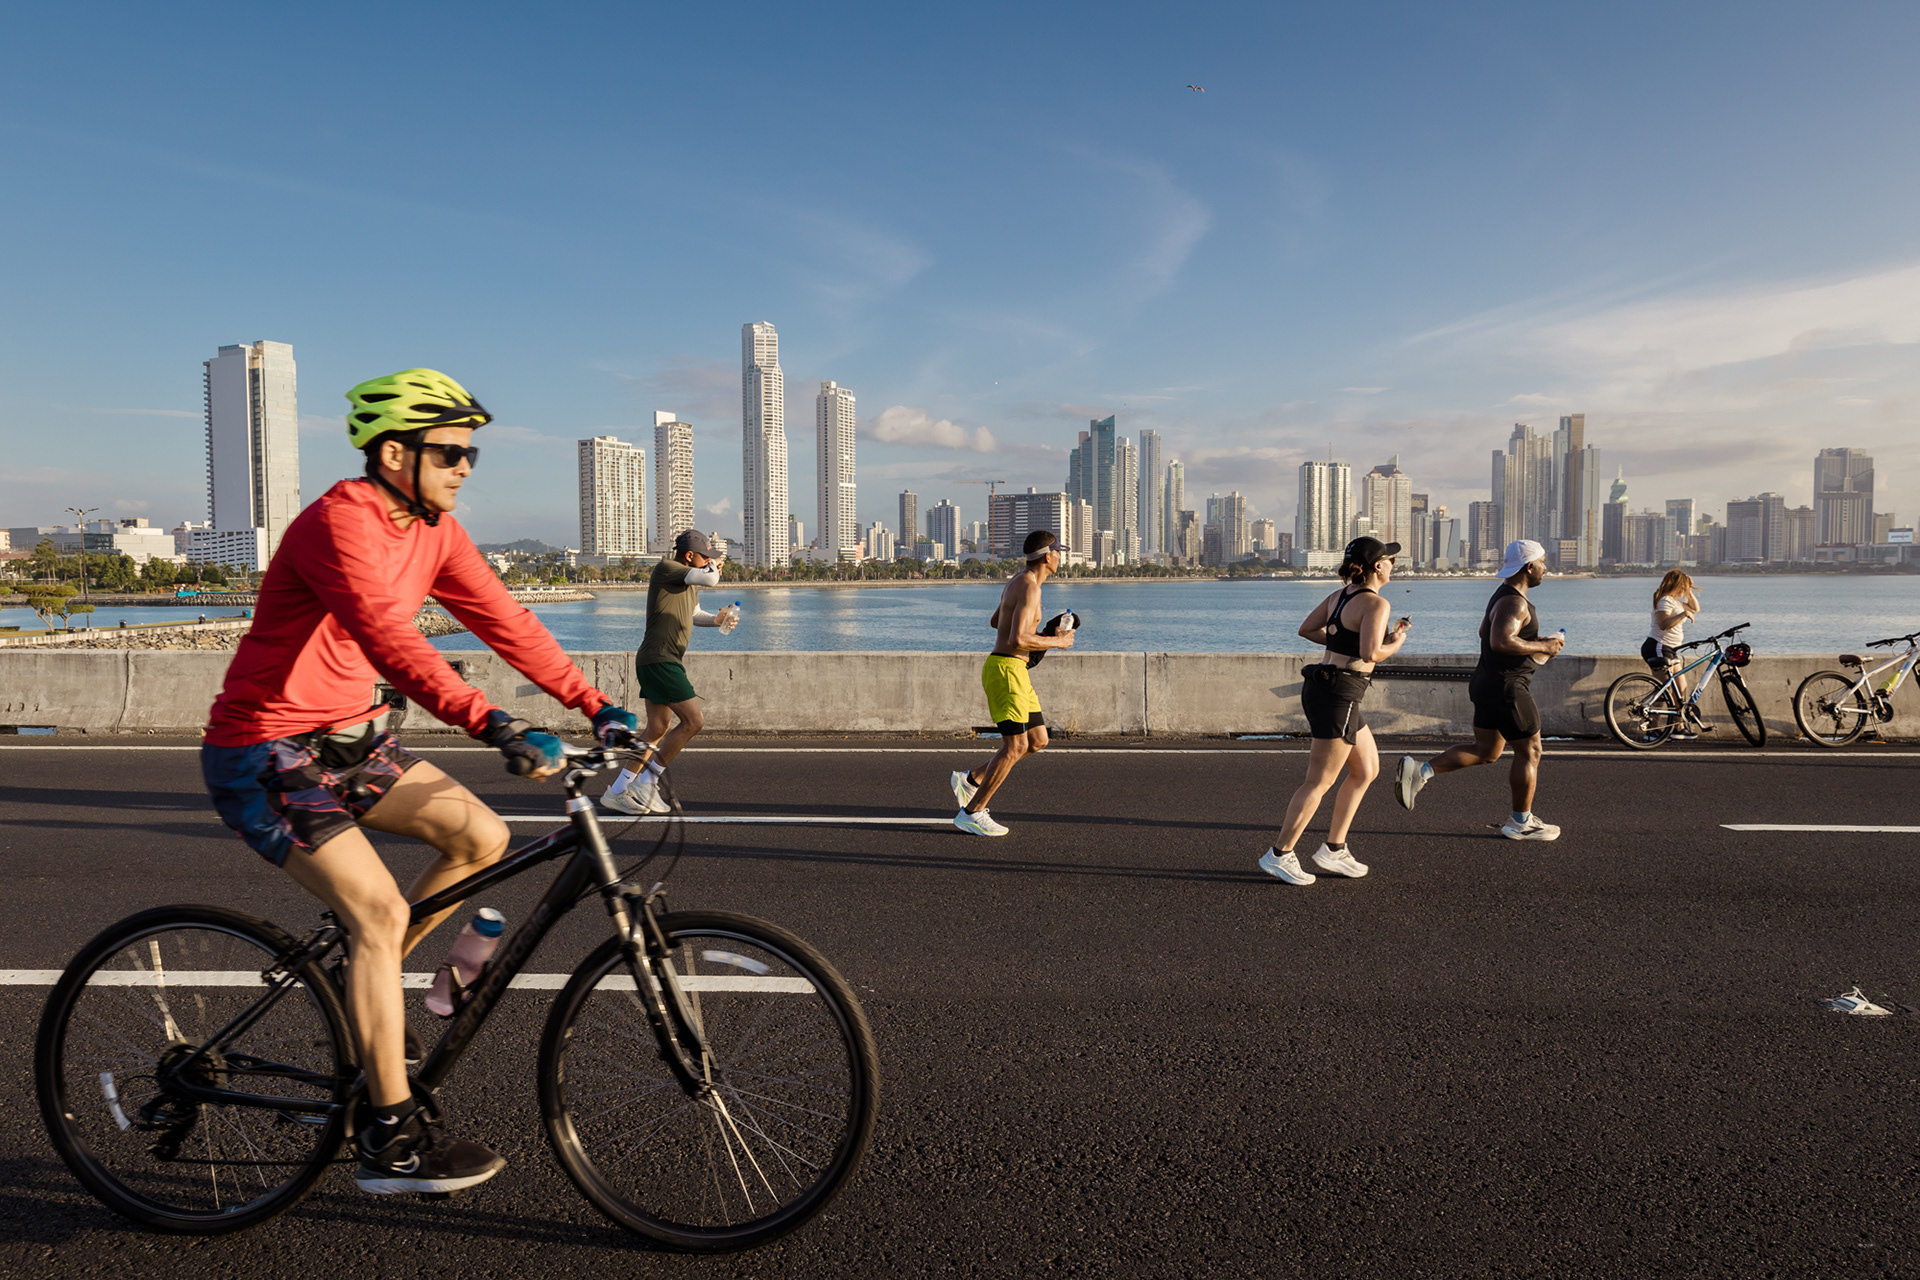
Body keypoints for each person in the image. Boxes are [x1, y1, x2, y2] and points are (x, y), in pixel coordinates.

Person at [199, 369, 639, 1197]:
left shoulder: (435, 529)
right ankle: (387, 1144)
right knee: (379, 911)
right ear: (394, 453)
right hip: (264, 748)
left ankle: (358, 1001)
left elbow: (506, 621)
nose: (466, 464)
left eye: (472, 452)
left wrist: (595, 704)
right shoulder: (341, 523)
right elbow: (390, 635)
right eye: (450, 450)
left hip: (353, 740)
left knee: (481, 838)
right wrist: (494, 725)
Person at [1258, 537, 1411, 885]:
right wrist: (1397, 642)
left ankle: (1334, 849)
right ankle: (1279, 854)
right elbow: (1372, 654)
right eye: (1389, 560)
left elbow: (1308, 630)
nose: (1393, 565)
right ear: (1377, 566)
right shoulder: (1375, 603)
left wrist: (1347, 643)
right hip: (1340, 693)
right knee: (1319, 781)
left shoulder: (1339, 597)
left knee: (1367, 769)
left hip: (1329, 688)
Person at [1392, 539, 1564, 840]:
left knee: (1486, 751)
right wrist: (1544, 645)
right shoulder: (1515, 602)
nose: (1545, 569)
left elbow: (1485, 632)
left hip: (1487, 683)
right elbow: (1500, 641)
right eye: (1543, 562)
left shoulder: (1502, 596)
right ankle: (1521, 822)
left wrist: (1532, 646)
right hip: (1508, 688)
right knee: (1531, 751)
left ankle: (1421, 771)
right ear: (1529, 566)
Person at [601, 529, 738, 815]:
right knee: (693, 721)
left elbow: (694, 615)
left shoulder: (688, 581)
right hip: (660, 659)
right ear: (689, 555)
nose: (708, 562)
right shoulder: (668, 569)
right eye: (705, 557)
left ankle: (617, 792)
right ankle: (647, 782)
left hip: (659, 659)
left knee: (657, 728)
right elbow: (711, 577)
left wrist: (717, 620)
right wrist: (714, 568)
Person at [949, 529, 1076, 836]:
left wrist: (1039, 629)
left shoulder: (1018, 581)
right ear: (1048, 556)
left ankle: (971, 780)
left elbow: (997, 621)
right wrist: (1058, 642)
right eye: (1059, 553)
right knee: (1015, 745)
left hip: (1014, 671)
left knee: (1037, 741)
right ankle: (972, 812)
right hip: (1006, 671)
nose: (1061, 557)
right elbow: (1016, 638)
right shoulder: (1030, 587)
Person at [1644, 569, 1701, 741]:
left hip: (1670, 649)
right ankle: (1652, 730)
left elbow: (1695, 608)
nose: (1685, 590)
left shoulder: (1675, 601)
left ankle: (1679, 727)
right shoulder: (1665, 601)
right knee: (1664, 689)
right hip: (1659, 646)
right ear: (1676, 585)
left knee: (1680, 689)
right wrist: (1684, 614)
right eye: (1683, 586)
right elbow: (1663, 625)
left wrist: (1690, 591)